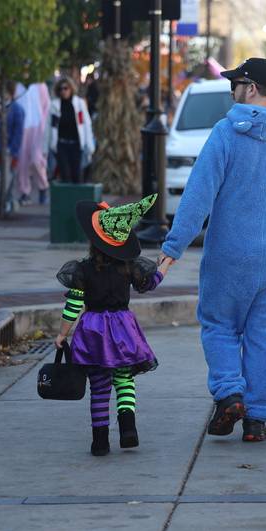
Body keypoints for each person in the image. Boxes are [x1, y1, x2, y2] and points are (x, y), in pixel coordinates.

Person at [158, 58, 266, 442]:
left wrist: (174, 246)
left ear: (250, 88)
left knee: (219, 325)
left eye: (235, 83)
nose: (231, 90)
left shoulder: (225, 134)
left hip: (229, 258)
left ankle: (230, 391)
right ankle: (256, 419)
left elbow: (198, 195)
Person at [54, 194, 168, 456]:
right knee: (124, 379)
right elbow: (150, 283)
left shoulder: (83, 270)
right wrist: (165, 266)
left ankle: (100, 441)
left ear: (93, 241)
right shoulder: (128, 268)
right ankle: (128, 430)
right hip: (123, 329)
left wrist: (62, 334)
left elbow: (73, 305)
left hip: (93, 331)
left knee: (99, 386)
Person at [46, 76, 94, 183]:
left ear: (71, 89)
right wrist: (46, 147)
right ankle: (67, 199)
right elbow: (49, 127)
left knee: (77, 175)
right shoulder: (54, 106)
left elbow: (86, 124)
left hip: (76, 145)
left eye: (66, 88)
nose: (63, 91)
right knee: (65, 175)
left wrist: (89, 144)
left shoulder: (79, 104)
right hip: (61, 145)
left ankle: (76, 199)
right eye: (60, 89)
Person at [0, 81, 25, 213]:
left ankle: (8, 202)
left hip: (10, 151)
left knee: (9, 179)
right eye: (0, 93)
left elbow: (18, 133)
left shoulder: (17, 110)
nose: (2, 96)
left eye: (5, 93)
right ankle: (2, 202)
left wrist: (13, 150)